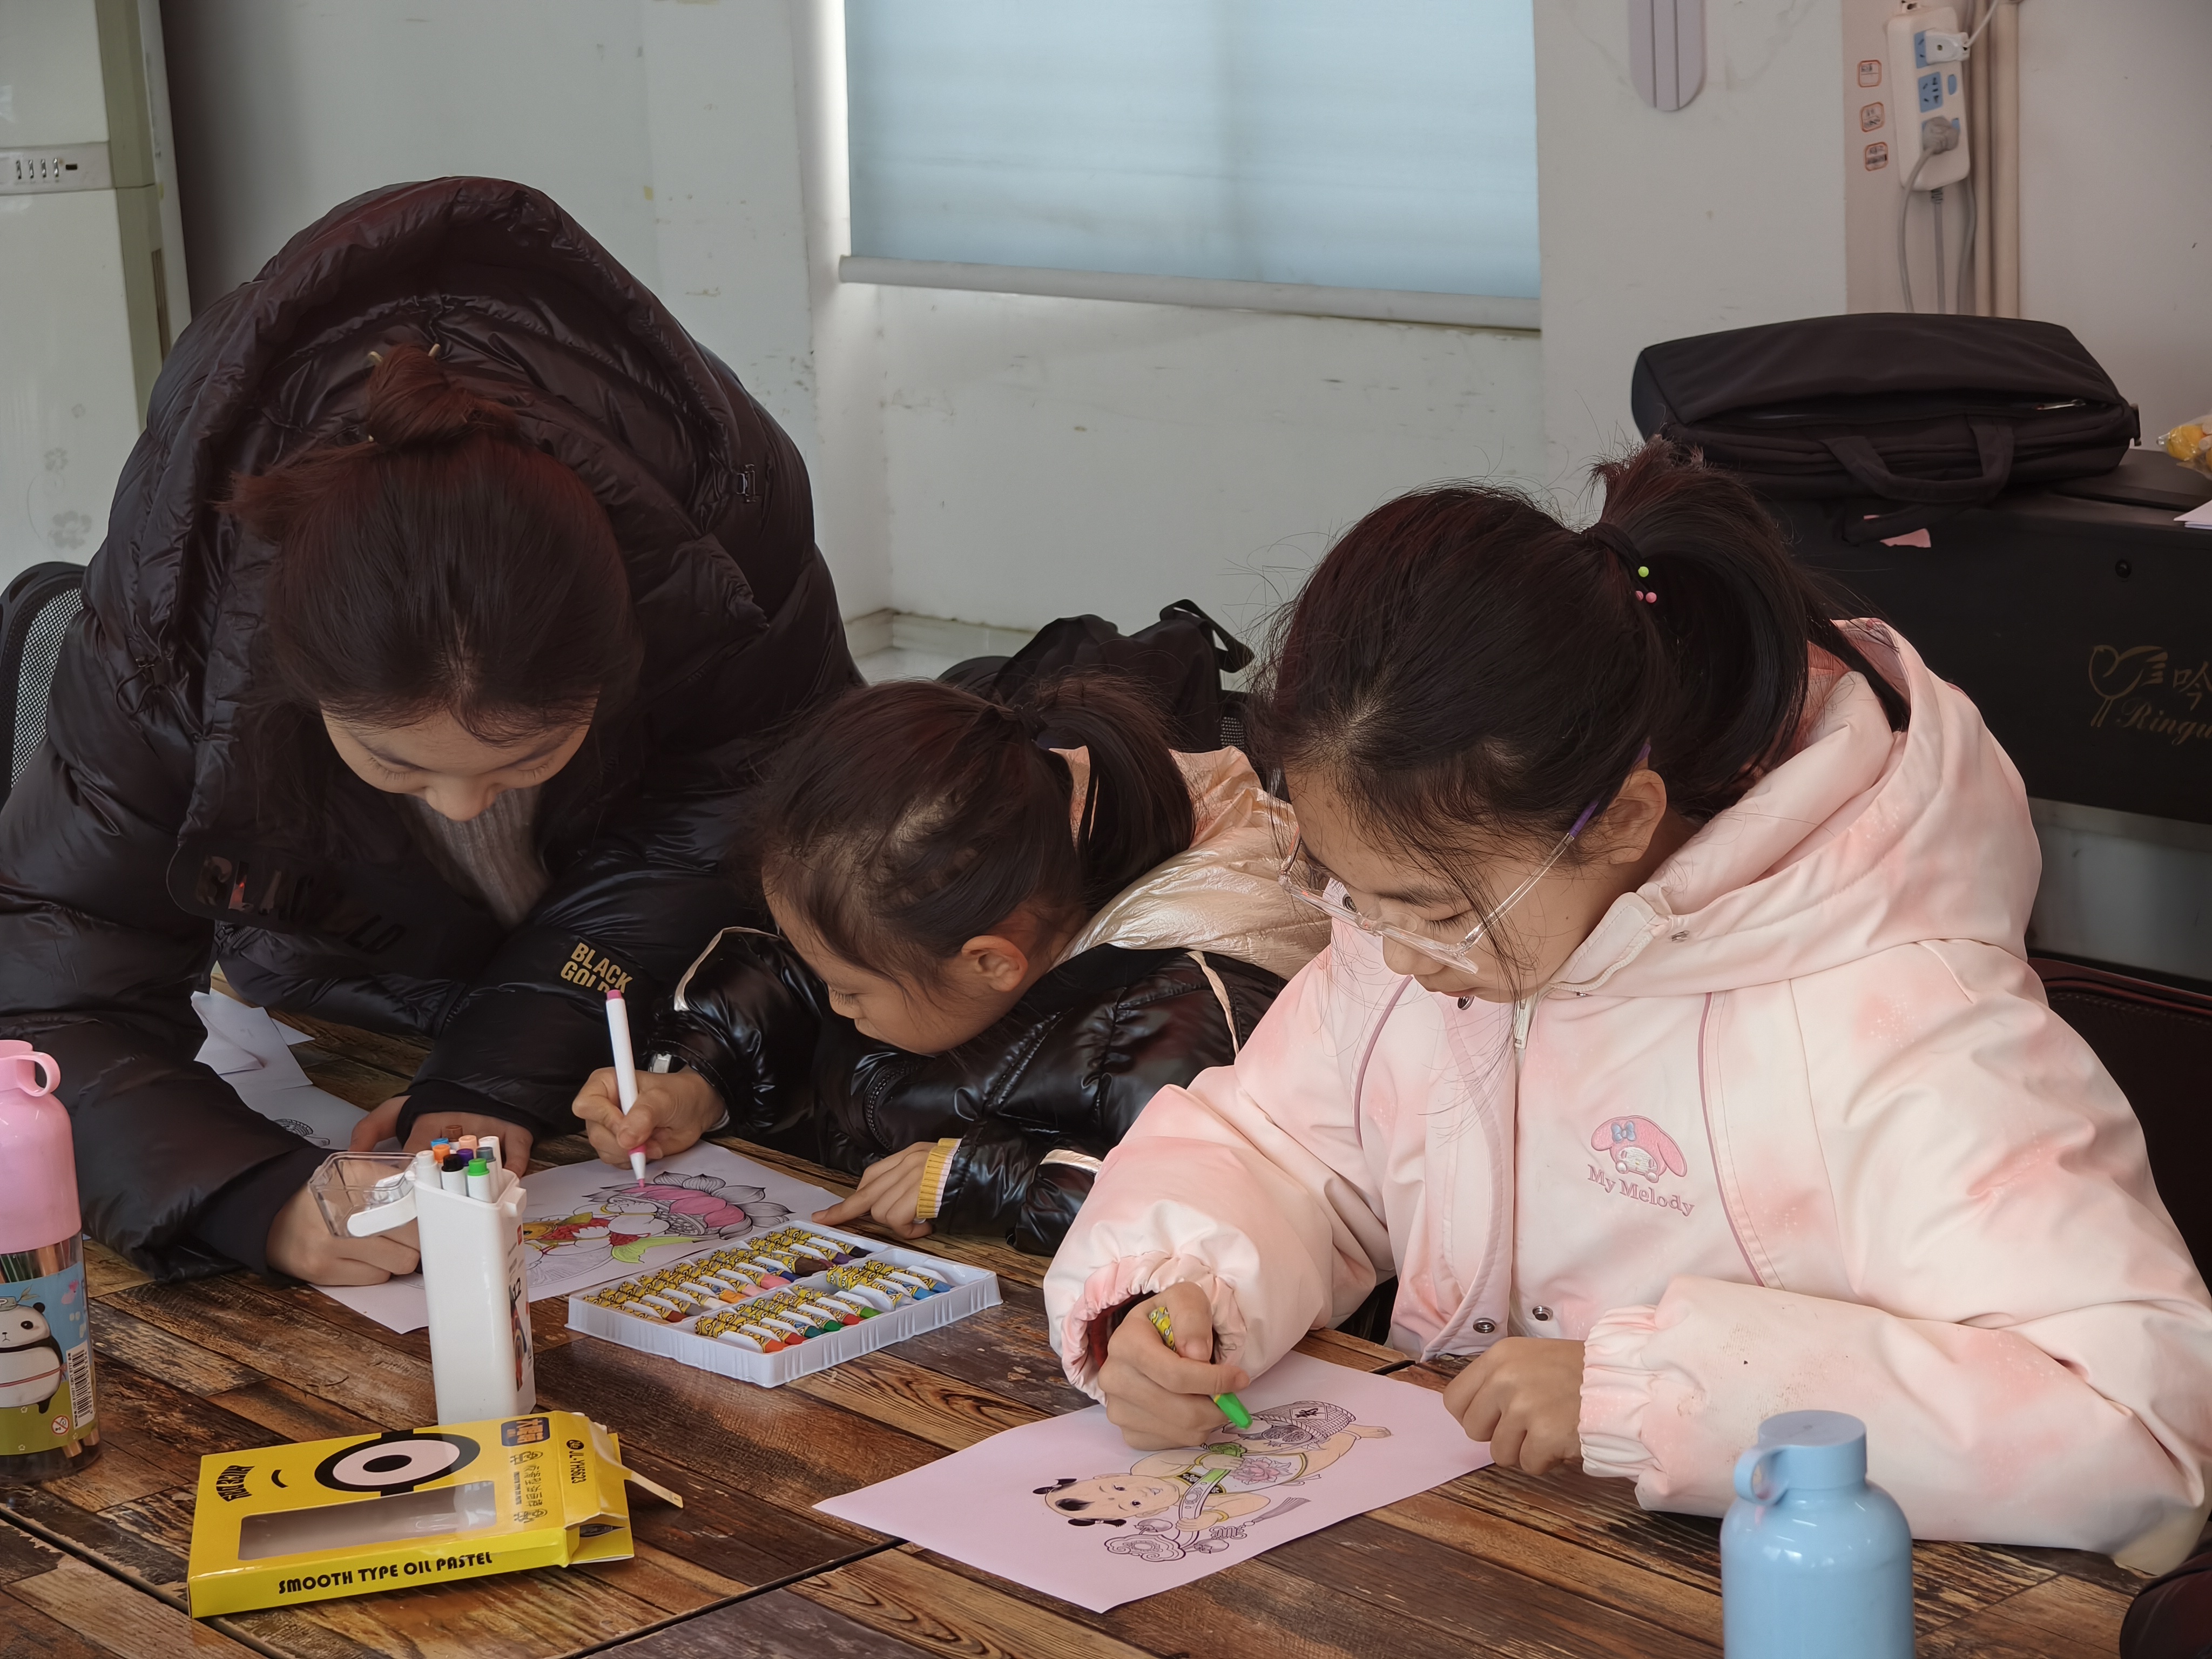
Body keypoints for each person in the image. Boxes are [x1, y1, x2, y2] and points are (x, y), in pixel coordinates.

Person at [1043, 440, 2212, 1572]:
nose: (1394, 957)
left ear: (1619, 818)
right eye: (1346, 894)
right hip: (1464, 1565)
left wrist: (1657, 1394)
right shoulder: (1419, 939)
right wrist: (1175, 1289)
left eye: (1429, 909)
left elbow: (2134, 1424)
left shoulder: (1897, 1018)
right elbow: (1287, 1151)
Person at [0, 180, 853, 1288]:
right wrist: (256, 1198)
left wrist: (498, 1069)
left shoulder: (720, 506)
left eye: (527, 760)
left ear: (622, 662)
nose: (461, 807)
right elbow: (49, 980)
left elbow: (740, 800)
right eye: (395, 761)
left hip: (637, 1025)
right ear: (288, 685)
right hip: (341, 993)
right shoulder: (182, 612)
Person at [569, 675, 1328, 1253]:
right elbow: (791, 979)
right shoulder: (974, 892)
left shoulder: (1184, 1015)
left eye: (849, 989)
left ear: (992, 963)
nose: (836, 1005)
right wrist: (702, 1082)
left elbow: (1196, 1211)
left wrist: (981, 1181)